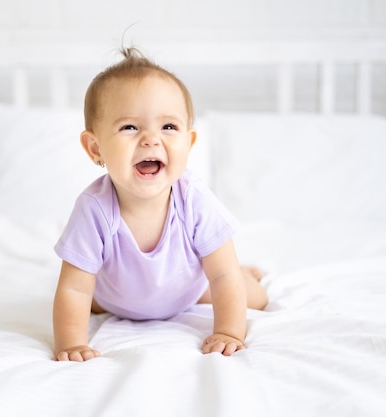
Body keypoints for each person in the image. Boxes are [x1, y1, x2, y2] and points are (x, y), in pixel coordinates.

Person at [52, 47, 268, 362]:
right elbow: (74, 290)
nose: (152, 139)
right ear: (95, 148)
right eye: (130, 127)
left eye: (168, 127)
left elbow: (222, 278)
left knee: (252, 294)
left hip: (185, 291)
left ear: (189, 142)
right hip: (114, 298)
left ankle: (232, 265)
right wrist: (70, 343)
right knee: (88, 294)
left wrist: (228, 332)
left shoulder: (193, 199)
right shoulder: (94, 209)